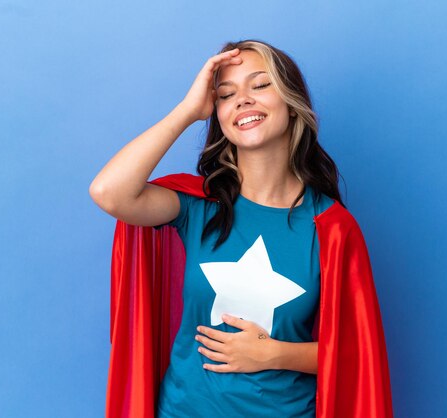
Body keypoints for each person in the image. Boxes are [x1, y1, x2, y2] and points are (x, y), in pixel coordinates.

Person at [89, 39, 393, 418]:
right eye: (226, 94)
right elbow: (109, 192)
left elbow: (357, 355)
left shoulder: (331, 227)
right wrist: (187, 111)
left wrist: (274, 352)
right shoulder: (198, 206)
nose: (243, 100)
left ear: (292, 103)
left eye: (260, 85)